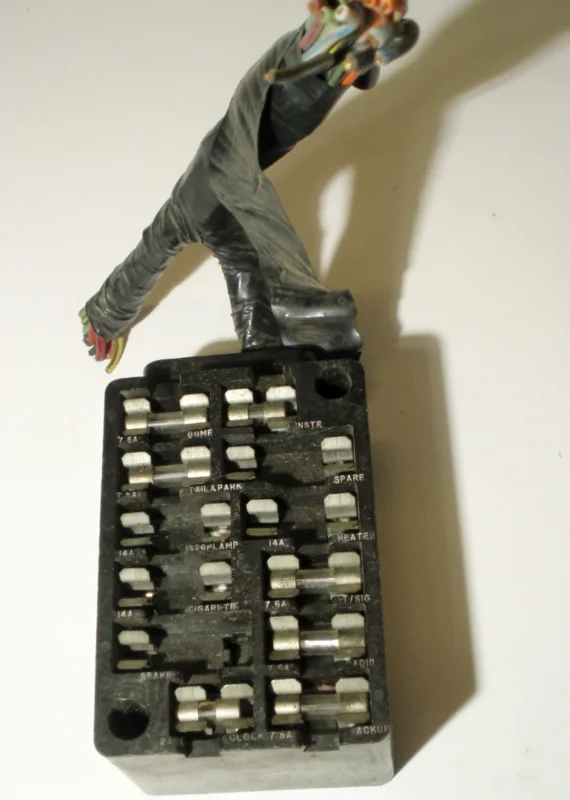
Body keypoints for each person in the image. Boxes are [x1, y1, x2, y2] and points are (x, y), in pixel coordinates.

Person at [81, 0, 416, 372]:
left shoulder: (334, 59)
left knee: (243, 275)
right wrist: (104, 316)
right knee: (231, 264)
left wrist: (104, 317)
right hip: (218, 179)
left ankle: (265, 361)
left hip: (225, 183)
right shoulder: (297, 60)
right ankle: (265, 359)